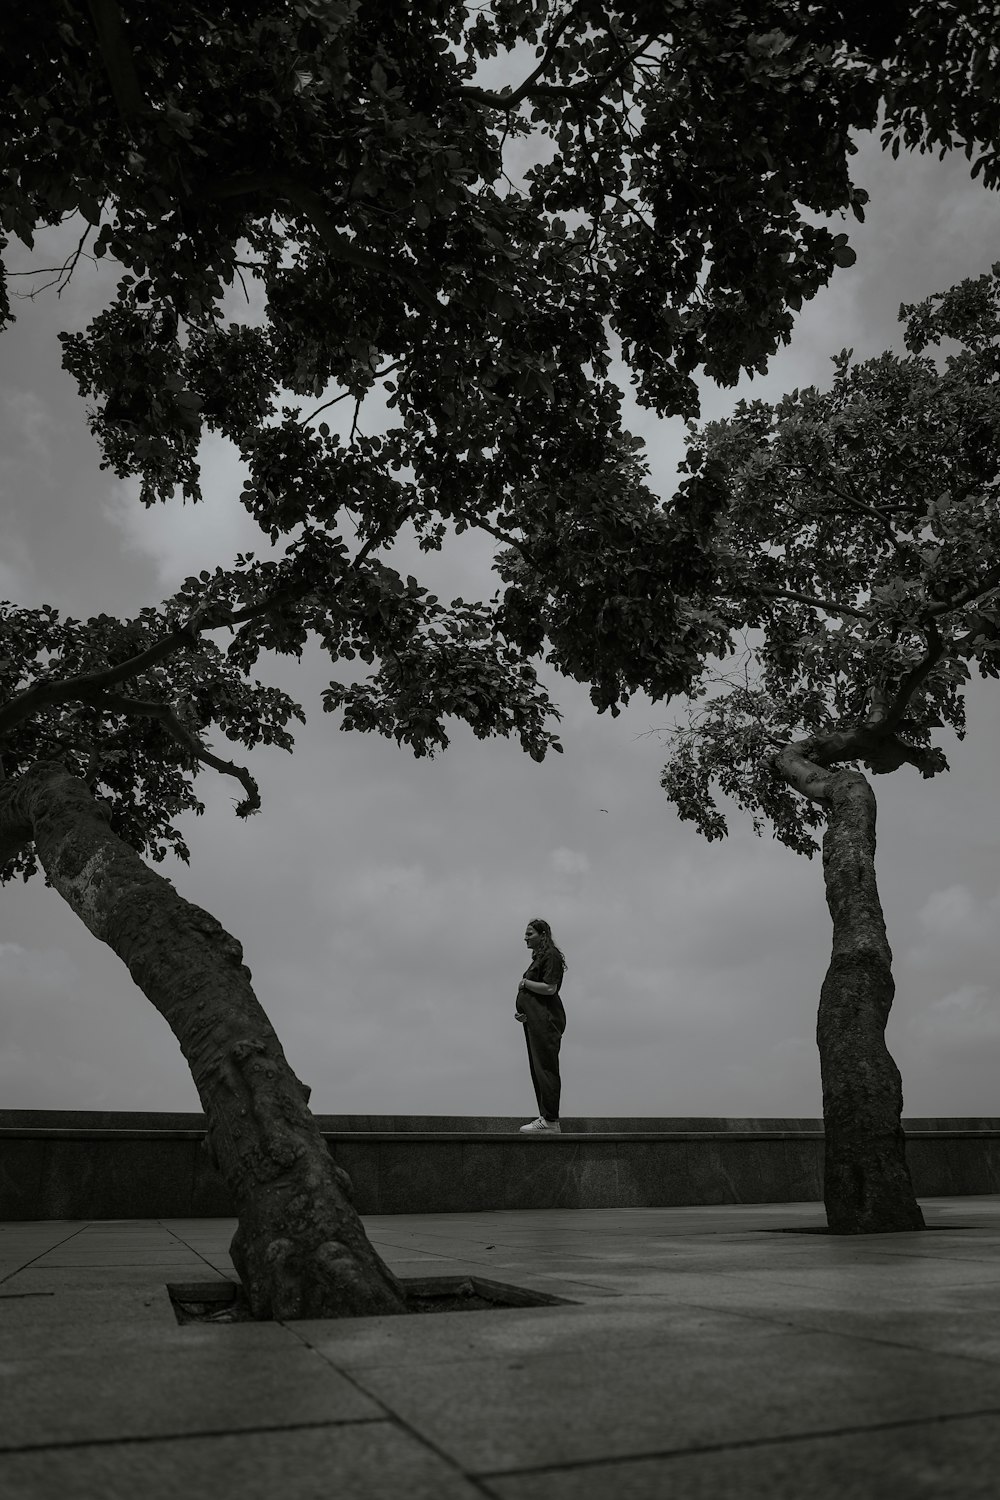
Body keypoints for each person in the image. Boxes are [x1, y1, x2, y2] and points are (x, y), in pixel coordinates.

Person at [515, 917, 567, 1133]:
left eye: (529, 934)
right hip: (535, 1020)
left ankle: (551, 1121)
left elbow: (549, 988)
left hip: (546, 1020)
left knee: (546, 1069)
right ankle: (545, 1118)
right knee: (538, 1069)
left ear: (542, 934)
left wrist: (525, 983)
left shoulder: (551, 955)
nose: (525, 938)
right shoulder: (540, 957)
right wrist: (523, 1011)